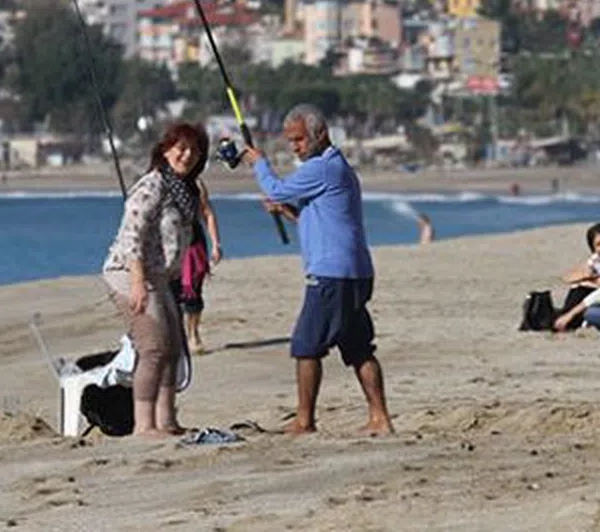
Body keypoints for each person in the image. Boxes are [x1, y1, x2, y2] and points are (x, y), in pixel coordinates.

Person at [234, 104, 393, 435]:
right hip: (354, 271)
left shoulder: (323, 168)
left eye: (299, 140)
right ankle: (380, 418)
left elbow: (275, 187)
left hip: (332, 273)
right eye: (290, 141)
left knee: (306, 346)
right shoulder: (337, 169)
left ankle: (305, 420)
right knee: (358, 347)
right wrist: (288, 211)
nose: (294, 147)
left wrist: (258, 163)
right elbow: (320, 217)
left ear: (320, 135)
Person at [101, 122, 208, 438]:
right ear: (165, 149)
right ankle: (144, 425)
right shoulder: (153, 186)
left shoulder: (186, 191)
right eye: (181, 148)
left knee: (173, 348)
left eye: (194, 150)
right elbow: (133, 235)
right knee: (153, 348)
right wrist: (137, 283)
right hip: (128, 274)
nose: (187, 155)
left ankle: (167, 421)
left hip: (161, 279)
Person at [172, 180, 223, 354]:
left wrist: (216, 244)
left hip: (194, 245)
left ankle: (193, 335)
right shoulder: (160, 181)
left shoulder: (196, 183)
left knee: (193, 293)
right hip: (169, 245)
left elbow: (207, 213)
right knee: (171, 295)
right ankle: (175, 337)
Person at [562, 223, 600, 287]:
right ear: (594, 249)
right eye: (599, 244)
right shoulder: (597, 260)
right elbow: (567, 278)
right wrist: (586, 275)